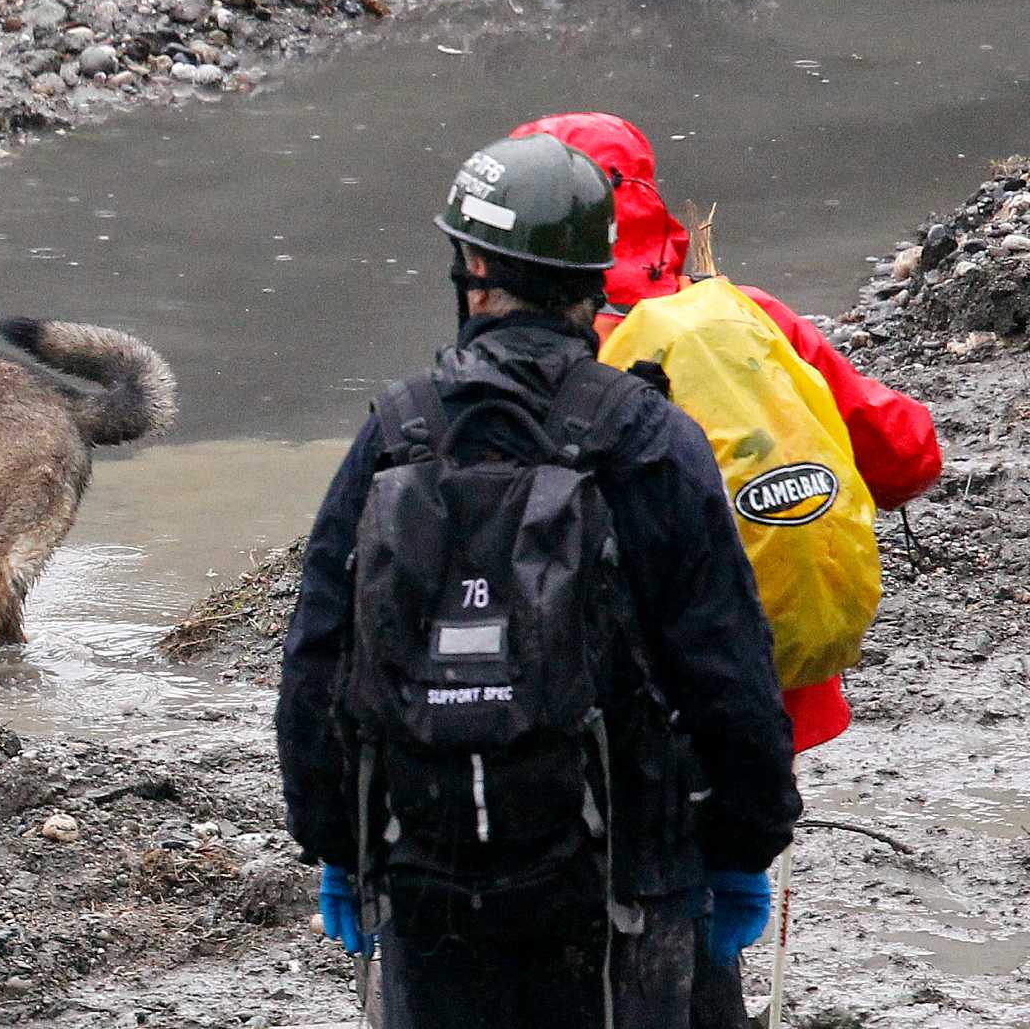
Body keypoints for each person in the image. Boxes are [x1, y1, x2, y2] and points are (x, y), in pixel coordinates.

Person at [276, 132, 803, 1028]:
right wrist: (745, 845)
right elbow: (729, 670)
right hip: (624, 893)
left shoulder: (396, 434)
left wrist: (339, 844)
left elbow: (317, 660)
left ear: (474, 265)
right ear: (594, 277)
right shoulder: (649, 437)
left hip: (428, 887)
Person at [507, 112, 944, 1027]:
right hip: (756, 704)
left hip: (582, 718)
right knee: (707, 935)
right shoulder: (750, 320)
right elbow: (908, 455)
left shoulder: (537, 355)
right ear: (654, 203)